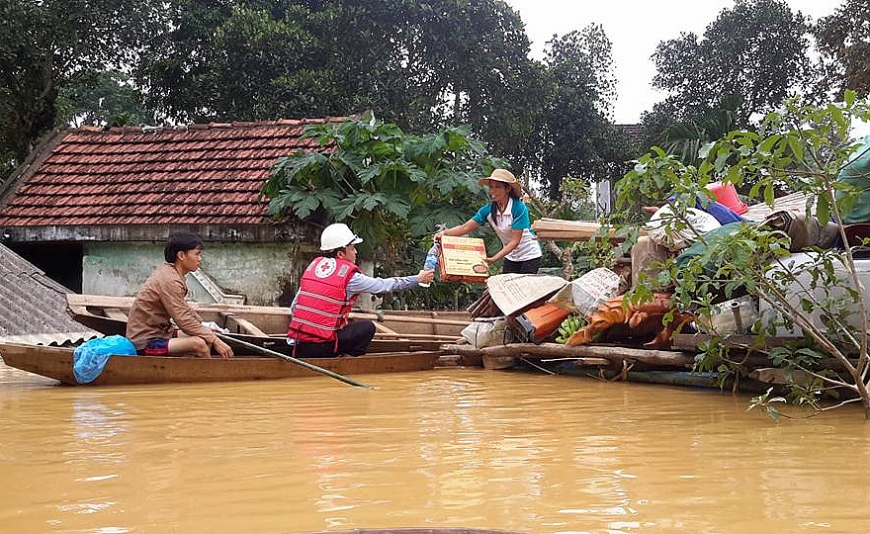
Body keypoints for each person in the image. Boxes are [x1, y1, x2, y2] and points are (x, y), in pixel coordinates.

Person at [287, 223, 435, 358]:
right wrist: (418, 278)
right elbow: (384, 285)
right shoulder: (350, 277)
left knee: (349, 321)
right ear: (340, 254)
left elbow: (295, 307)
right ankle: (348, 360)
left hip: (298, 345)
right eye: (352, 248)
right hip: (323, 347)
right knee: (368, 327)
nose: (356, 252)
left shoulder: (314, 268)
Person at [126, 231, 234, 359]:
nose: (200, 259)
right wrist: (215, 340)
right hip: (145, 342)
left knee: (205, 336)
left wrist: (204, 329)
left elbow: (184, 309)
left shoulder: (172, 273)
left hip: (161, 333)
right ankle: (209, 376)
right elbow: (183, 320)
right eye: (197, 254)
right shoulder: (170, 280)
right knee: (199, 344)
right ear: (181, 255)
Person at [436, 168, 542, 274]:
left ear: (508, 189)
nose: (493, 191)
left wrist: (494, 258)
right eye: (491, 187)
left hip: (529, 255)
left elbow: (515, 241)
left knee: (524, 287)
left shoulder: (518, 207)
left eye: (497, 187)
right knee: (506, 286)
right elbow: (465, 228)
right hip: (511, 256)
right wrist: (445, 233)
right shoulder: (488, 210)